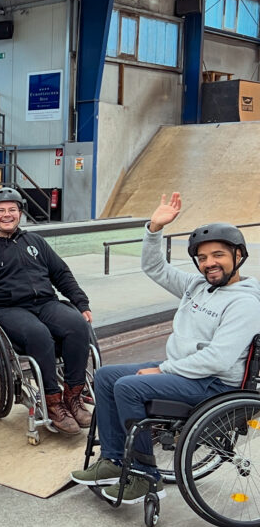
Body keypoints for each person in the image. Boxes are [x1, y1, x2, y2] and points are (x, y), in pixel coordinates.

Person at [71, 193, 260, 503]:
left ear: (238, 255)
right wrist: (154, 229)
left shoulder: (245, 303)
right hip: (187, 372)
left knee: (129, 388)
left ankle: (146, 477)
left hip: (214, 384)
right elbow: (155, 268)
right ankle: (113, 460)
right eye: (202, 258)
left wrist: (164, 368)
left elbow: (219, 358)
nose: (209, 263)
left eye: (218, 255)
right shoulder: (198, 286)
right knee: (105, 376)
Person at [0, 186, 93, 435]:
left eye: (12, 209)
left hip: (45, 303)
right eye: (0, 210)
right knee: (38, 334)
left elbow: (61, 273)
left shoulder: (35, 242)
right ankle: (53, 403)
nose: (7, 214)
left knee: (77, 325)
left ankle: (74, 397)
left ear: (20, 213)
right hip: (7, 309)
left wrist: (81, 302)